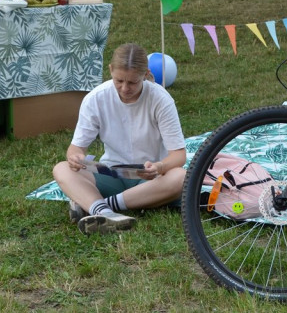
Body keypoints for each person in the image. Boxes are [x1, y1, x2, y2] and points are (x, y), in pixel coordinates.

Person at [52, 43, 186, 235]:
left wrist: (160, 167)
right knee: (62, 168)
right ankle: (107, 210)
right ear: (110, 70)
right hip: (111, 173)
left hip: (150, 178)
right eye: (119, 81)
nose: (124, 88)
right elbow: (76, 148)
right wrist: (76, 158)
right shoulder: (96, 98)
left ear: (145, 74)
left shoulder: (160, 99)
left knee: (180, 177)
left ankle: (101, 207)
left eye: (132, 82)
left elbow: (179, 155)